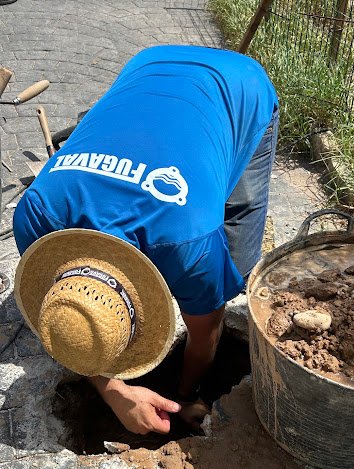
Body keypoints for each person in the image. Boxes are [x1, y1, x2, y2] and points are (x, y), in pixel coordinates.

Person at [13, 45, 279, 436]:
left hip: (241, 87)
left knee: (238, 224)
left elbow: (207, 334)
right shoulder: (36, 215)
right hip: (147, 64)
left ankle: (220, 280)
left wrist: (186, 395)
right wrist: (115, 391)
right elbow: (66, 329)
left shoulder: (190, 245)